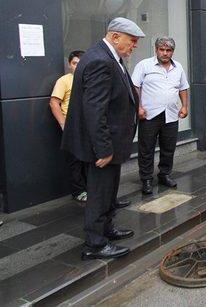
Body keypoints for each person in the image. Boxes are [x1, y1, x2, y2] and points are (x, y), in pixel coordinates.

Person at [62, 17, 145, 260]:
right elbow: (94, 110)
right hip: (103, 145)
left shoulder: (110, 57)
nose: (135, 46)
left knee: (109, 191)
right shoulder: (100, 60)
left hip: (112, 141)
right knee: (99, 192)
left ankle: (107, 229)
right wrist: (104, 149)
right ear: (115, 36)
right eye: (133, 41)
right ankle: (95, 244)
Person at [131, 37, 189, 195]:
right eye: (162, 50)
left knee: (168, 148)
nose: (165, 53)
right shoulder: (144, 65)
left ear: (172, 52)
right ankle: (147, 180)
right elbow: (135, 87)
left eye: (168, 50)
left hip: (171, 115)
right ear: (156, 50)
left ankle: (164, 174)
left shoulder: (178, 68)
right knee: (146, 149)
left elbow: (183, 88)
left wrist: (184, 106)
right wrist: (138, 107)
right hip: (149, 115)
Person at [50, 50, 87, 202]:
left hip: (89, 126)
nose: (77, 66)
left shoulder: (90, 79)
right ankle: (79, 191)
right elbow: (54, 102)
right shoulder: (64, 80)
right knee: (76, 160)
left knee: (89, 160)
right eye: (74, 63)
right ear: (70, 65)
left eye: (80, 63)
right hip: (73, 127)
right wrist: (63, 124)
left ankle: (92, 189)